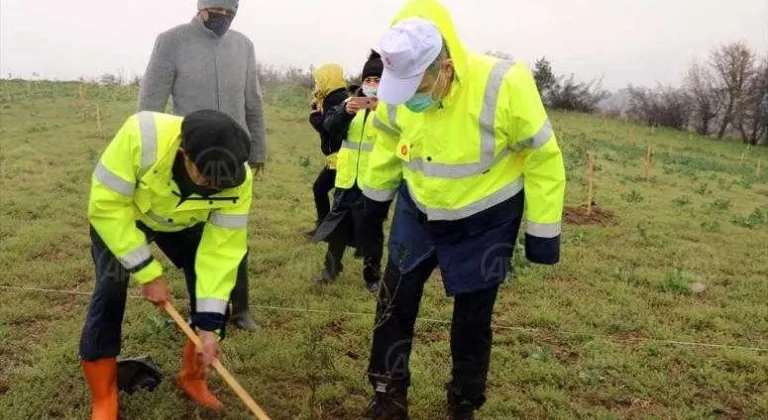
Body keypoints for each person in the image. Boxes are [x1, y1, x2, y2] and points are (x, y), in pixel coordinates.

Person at [360, 1, 566, 419]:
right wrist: (372, 204)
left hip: (486, 218)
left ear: (446, 67)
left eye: (419, 86)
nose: (409, 97)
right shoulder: (397, 86)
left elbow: (543, 156)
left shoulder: (506, 82)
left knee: (473, 317)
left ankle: (464, 401)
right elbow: (385, 140)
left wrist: (543, 233)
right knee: (393, 303)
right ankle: (388, 394)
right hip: (418, 211)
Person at [79, 109, 253, 419]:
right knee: (110, 288)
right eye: (208, 179)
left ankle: (192, 378)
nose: (216, 188)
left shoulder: (236, 180)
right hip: (125, 215)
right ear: (184, 153)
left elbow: (221, 254)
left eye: (223, 183)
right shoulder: (141, 135)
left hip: (183, 223)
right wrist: (146, 271)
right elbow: (106, 204)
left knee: (214, 292)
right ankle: (104, 398)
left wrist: (209, 328)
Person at [137, 0, 264, 331]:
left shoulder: (244, 46)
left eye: (230, 14)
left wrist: (258, 150)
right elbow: (151, 102)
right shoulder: (172, 41)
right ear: (201, 8)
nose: (223, 19)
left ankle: (240, 309)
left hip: (233, 155)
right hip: (188, 158)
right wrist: (147, 153)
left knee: (232, 231)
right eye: (216, 12)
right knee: (191, 234)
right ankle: (201, 311)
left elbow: (253, 100)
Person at [311, 51, 384, 292]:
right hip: (346, 179)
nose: (372, 85)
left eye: (377, 80)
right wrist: (345, 112)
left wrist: (383, 109)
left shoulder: (391, 108)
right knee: (337, 226)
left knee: (371, 231)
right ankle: (331, 269)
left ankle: (372, 278)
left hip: (372, 182)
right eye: (368, 80)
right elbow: (330, 128)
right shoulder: (350, 102)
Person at [307, 63, 350, 236]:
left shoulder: (335, 98)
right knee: (330, 192)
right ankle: (327, 228)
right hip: (338, 156)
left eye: (319, 80)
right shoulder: (337, 96)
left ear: (327, 79)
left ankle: (326, 229)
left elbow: (328, 127)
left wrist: (314, 117)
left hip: (340, 157)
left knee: (321, 189)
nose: (317, 85)